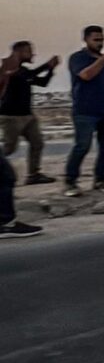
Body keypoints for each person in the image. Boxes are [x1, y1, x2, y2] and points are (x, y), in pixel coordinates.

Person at [64, 25, 104, 197]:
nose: (100, 43)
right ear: (85, 40)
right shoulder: (77, 58)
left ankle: (101, 180)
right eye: (96, 40)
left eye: (102, 40)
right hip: (85, 111)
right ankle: (70, 182)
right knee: (82, 146)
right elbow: (86, 75)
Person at [0, 40, 59, 185]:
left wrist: (51, 69)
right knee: (9, 148)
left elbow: (42, 82)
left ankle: (33, 175)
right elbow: (20, 76)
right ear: (18, 52)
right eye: (29, 51)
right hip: (11, 117)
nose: (32, 54)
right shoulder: (7, 68)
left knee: (37, 143)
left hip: (28, 115)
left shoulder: (25, 70)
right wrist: (47, 65)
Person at [0, 56, 43, 238]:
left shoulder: (22, 74)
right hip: (12, 117)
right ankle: (5, 223)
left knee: (6, 175)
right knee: (5, 175)